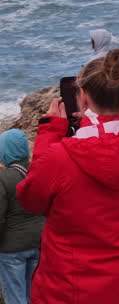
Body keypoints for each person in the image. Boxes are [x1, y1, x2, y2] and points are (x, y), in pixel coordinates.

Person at [17, 49, 119, 304]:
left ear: (83, 98)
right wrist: (90, 127)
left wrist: (50, 132)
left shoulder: (60, 156)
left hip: (73, 287)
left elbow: (32, 200)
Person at [1, 130, 42, 304]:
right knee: (34, 295)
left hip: (11, 249)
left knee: (16, 298)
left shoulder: (4, 178)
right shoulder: (39, 171)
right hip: (38, 242)